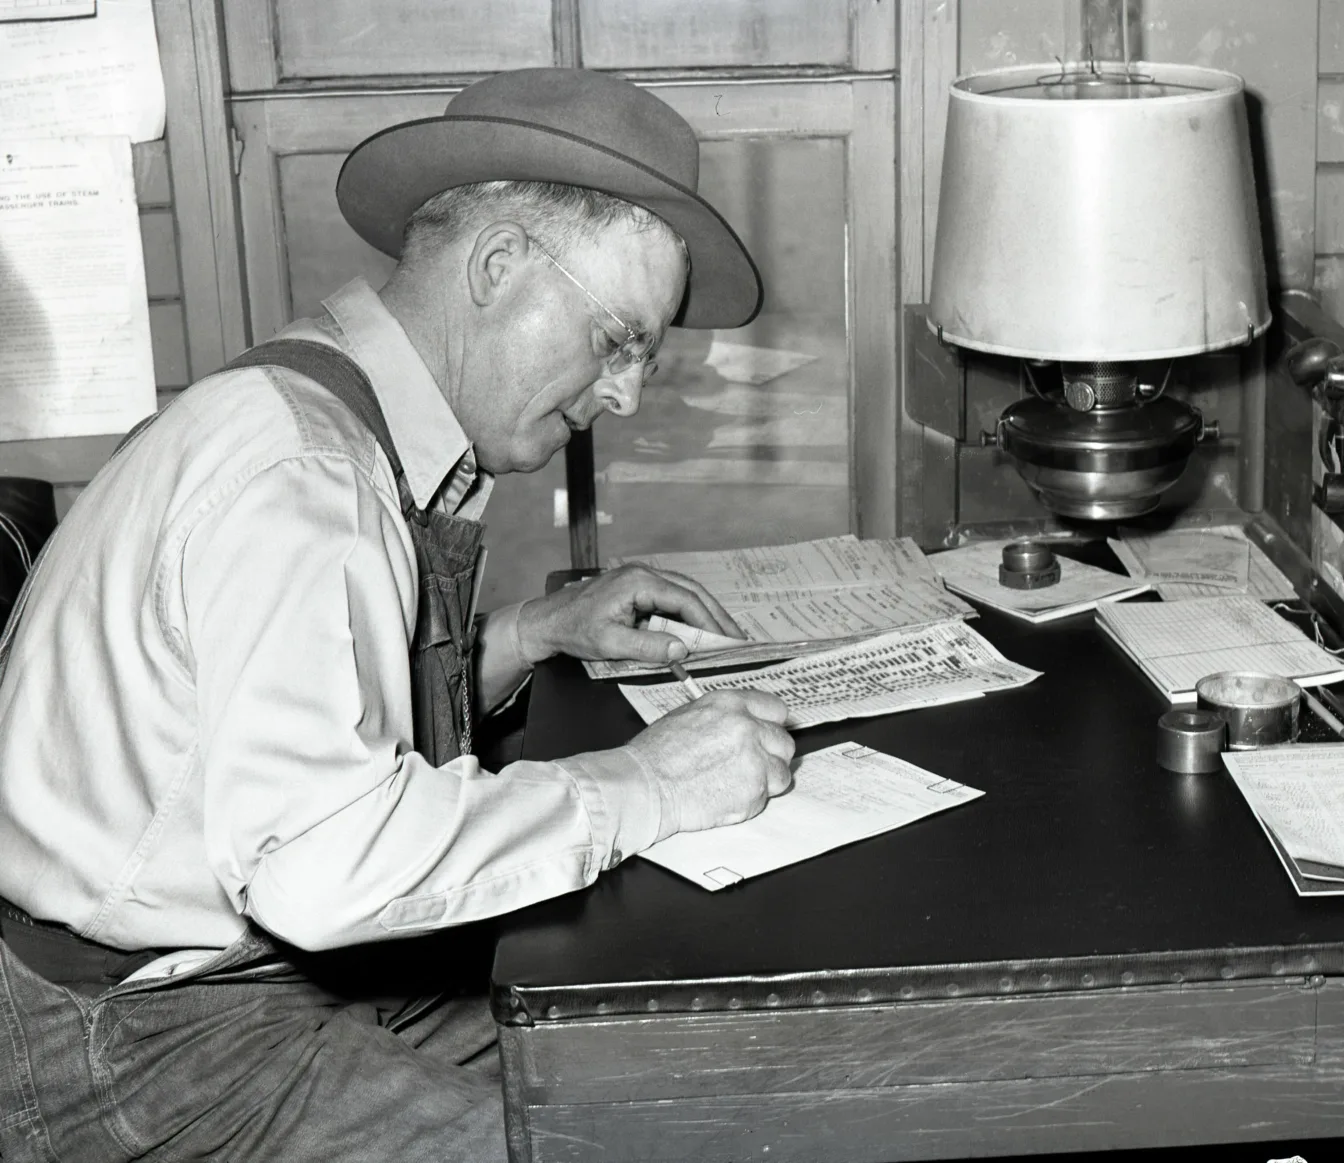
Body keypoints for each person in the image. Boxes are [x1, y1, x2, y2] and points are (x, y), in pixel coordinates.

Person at [0, 68, 795, 1162]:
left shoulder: (319, 408)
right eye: (619, 338)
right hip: (132, 1035)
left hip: (246, 974)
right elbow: (322, 865)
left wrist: (531, 635)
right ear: (500, 265)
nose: (627, 393)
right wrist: (646, 783)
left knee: (660, 1051)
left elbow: (273, 724)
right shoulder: (305, 476)